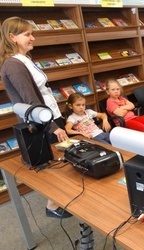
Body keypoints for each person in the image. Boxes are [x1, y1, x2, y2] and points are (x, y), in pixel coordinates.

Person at [0, 16, 72, 219]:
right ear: (12, 37)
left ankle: (56, 202)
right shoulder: (13, 64)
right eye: (27, 34)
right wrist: (52, 127)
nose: (32, 38)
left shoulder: (24, 59)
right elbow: (30, 100)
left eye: (32, 33)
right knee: (54, 163)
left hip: (49, 117)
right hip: (42, 122)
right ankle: (52, 206)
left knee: (59, 160)